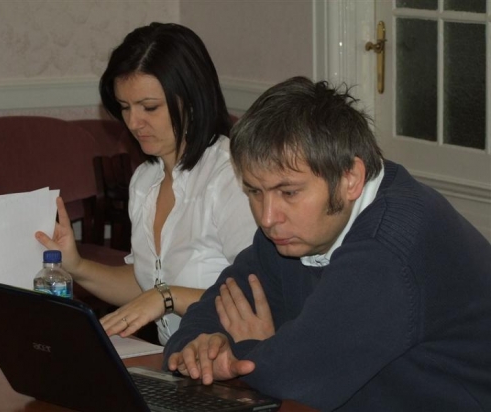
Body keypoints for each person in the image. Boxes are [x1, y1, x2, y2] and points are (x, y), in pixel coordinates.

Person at [164, 76, 491, 410]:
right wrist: (199, 346)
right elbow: (214, 310)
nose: (267, 217)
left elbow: (296, 376)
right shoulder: (292, 232)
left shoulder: (390, 246)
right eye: (254, 192)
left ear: (351, 178)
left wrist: (250, 349)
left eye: (289, 192)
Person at [35, 22, 257, 345]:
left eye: (149, 107)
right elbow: (145, 285)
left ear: (192, 100)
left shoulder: (231, 177)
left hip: (234, 360)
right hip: (178, 360)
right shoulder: (145, 179)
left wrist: (166, 297)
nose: (133, 122)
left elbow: (256, 295)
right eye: (125, 107)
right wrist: (76, 266)